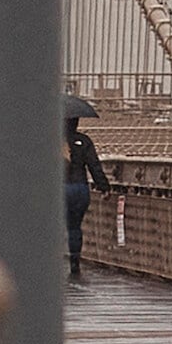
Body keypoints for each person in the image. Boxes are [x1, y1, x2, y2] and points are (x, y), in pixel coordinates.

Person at [62, 108, 107, 271]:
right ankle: (75, 261)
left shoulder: (51, 140)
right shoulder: (84, 140)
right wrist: (104, 187)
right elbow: (94, 166)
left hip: (59, 189)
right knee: (74, 227)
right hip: (80, 188)